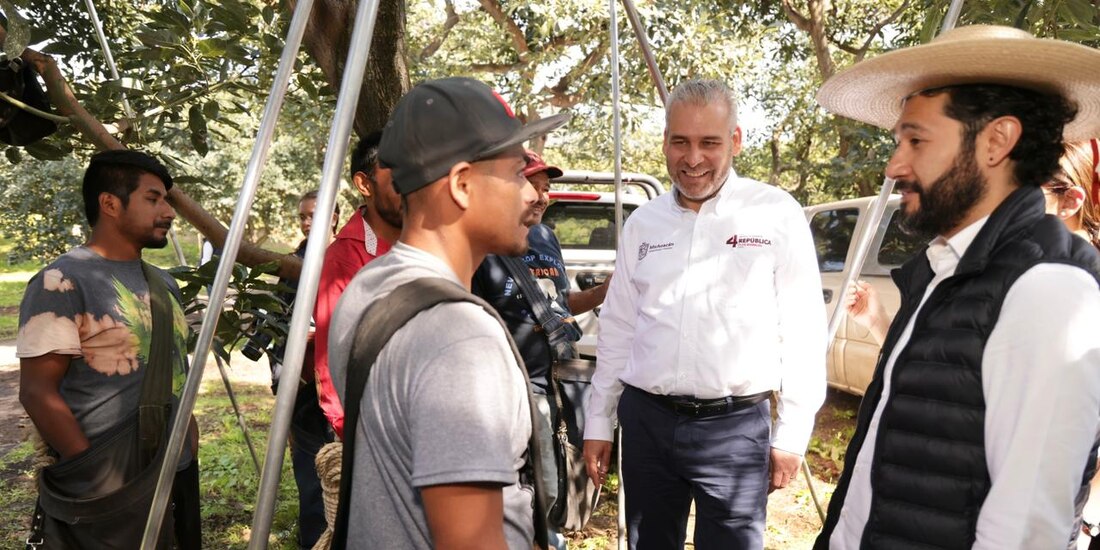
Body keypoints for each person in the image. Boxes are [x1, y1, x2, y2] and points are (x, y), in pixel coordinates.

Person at [812, 25, 1100, 549]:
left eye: (916, 140)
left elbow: (1025, 532)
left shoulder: (1049, 290)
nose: (894, 165)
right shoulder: (940, 269)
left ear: (996, 141)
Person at [582, 78, 828, 549]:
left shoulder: (775, 214)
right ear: (665, 142)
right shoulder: (643, 224)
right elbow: (618, 330)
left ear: (734, 141)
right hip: (647, 423)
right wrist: (599, 423)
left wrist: (793, 433)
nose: (693, 158)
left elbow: (803, 329)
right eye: (681, 142)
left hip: (735, 430)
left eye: (709, 142)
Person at [326, 76, 568, 548]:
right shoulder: (460, 338)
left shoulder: (369, 286)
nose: (530, 194)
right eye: (518, 173)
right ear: (461, 184)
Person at [17, 150, 200, 548]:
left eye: (166, 200)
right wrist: (90, 470)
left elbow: (174, 371)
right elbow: (37, 391)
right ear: (110, 203)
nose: (169, 212)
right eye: (153, 199)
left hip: (173, 467)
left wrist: (188, 442)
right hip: (106, 481)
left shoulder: (164, 284)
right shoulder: (60, 281)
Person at [472, 149, 610, 547]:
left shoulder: (547, 238)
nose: (542, 196)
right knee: (534, 487)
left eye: (547, 187)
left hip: (557, 386)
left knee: (560, 486)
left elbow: (560, 306)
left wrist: (603, 292)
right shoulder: (485, 242)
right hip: (513, 389)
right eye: (532, 184)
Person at [314, 130, 402, 438]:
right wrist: (347, 431)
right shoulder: (344, 258)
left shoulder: (424, 242)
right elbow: (330, 357)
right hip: (372, 426)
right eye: (399, 178)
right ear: (365, 184)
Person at [268, 189, 338, 550]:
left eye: (315, 215)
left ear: (334, 219)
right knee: (310, 473)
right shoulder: (291, 267)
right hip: (305, 388)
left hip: (342, 388)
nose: (307, 222)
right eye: (302, 217)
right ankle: (313, 540)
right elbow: (275, 330)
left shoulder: (348, 261)